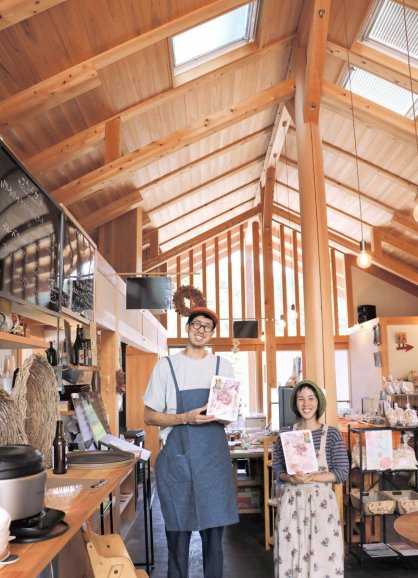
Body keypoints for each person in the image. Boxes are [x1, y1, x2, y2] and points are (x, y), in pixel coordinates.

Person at [143, 306, 239, 578]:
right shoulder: (166, 366)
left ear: (211, 334)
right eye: (196, 324)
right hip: (177, 464)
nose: (201, 330)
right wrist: (185, 417)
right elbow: (149, 416)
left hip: (213, 466)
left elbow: (229, 417)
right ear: (187, 328)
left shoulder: (224, 366)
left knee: (214, 544)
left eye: (207, 327)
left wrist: (224, 414)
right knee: (177, 541)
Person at [272, 379, 349, 578]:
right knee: (291, 556)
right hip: (292, 503)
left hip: (321, 505)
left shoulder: (331, 434)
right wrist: (291, 479)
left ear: (319, 402)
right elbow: (277, 470)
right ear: (295, 404)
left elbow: (341, 471)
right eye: (300, 399)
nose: (306, 404)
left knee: (324, 557)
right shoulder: (285, 434)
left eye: (311, 398)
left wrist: (315, 476)